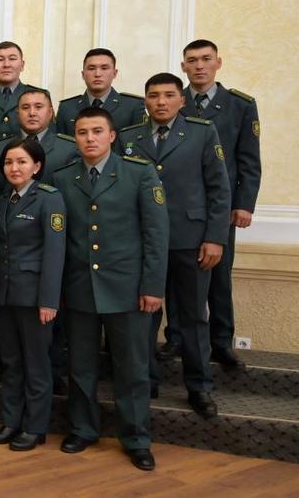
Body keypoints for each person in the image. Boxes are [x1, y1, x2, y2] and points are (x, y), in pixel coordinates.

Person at [54, 107, 168, 471]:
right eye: (83, 132)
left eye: (97, 131)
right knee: (81, 365)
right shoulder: (62, 177)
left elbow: (156, 235)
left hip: (127, 288)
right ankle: (83, 428)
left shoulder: (138, 173)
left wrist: (153, 286)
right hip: (79, 287)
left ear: (112, 136)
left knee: (132, 368)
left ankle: (135, 437)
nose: (89, 138)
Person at [120, 73, 230, 418]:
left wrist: (215, 237)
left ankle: (199, 387)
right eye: (153, 96)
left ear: (182, 100)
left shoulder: (201, 132)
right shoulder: (128, 137)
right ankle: (146, 379)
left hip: (191, 240)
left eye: (169, 95)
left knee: (194, 316)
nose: (161, 102)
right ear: (145, 101)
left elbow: (219, 189)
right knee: (144, 316)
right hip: (142, 243)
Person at [169, 39, 261, 369]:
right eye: (192, 60)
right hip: (182, 208)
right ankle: (177, 337)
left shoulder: (239, 105)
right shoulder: (174, 100)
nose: (199, 66)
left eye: (206, 59)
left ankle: (222, 341)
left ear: (218, 63)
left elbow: (248, 160)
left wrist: (244, 204)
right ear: (183, 66)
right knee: (177, 277)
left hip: (220, 206)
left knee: (218, 275)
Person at [0, 138, 66, 450]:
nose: (14, 168)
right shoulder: (4, 200)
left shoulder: (49, 198)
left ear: (37, 166)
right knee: (11, 363)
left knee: (36, 365)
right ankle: (10, 421)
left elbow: (55, 254)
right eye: (8, 162)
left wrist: (48, 300)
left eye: (21, 162)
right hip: (6, 295)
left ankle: (35, 427)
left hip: (34, 299)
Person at [0, 89, 78, 190]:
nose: (32, 113)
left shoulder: (68, 148)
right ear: (18, 114)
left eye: (38, 107)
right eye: (25, 107)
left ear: (50, 113)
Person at [56, 48, 145, 135]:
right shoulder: (66, 108)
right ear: (83, 75)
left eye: (104, 68)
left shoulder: (132, 106)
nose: (97, 74)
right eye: (91, 68)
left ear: (115, 73)